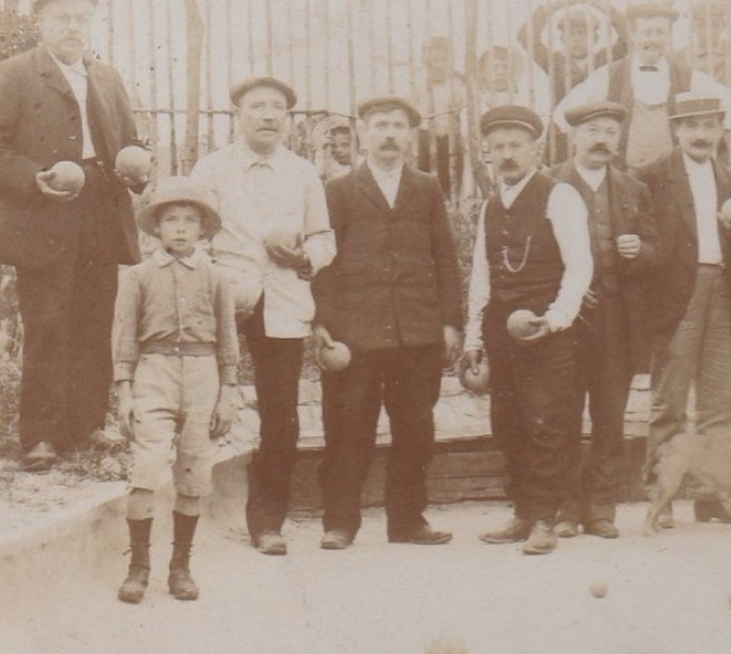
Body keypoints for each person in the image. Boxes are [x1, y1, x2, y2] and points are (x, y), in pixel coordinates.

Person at [0, 0, 152, 471]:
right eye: (62, 17)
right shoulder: (15, 73)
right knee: (49, 323)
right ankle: (42, 436)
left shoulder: (106, 77)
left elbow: (131, 142)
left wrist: (138, 163)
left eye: (81, 18)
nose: (73, 26)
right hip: (45, 214)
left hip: (100, 209)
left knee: (95, 320)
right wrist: (37, 178)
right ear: (42, 22)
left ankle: (88, 424)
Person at [312, 95, 465, 550]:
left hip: (416, 331)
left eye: (399, 125)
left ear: (411, 135)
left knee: (416, 431)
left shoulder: (427, 187)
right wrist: (323, 323)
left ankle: (407, 522)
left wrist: (450, 322)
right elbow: (325, 262)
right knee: (347, 430)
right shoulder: (339, 191)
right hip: (355, 334)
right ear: (362, 133)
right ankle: (340, 523)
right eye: (380, 125)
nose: (390, 134)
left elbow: (445, 257)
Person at [193, 75, 336, 557]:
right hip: (225, 300)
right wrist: (216, 277)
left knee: (281, 415)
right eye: (258, 106)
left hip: (283, 300)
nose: (269, 115)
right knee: (203, 402)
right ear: (238, 114)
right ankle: (190, 512)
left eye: (279, 107)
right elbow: (191, 235)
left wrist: (302, 258)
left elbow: (323, 238)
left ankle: (266, 521)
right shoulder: (211, 169)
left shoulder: (302, 173)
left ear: (289, 120)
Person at [462, 105, 593, 555]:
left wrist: (556, 319)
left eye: (516, 145)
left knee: (545, 424)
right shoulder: (491, 206)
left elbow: (580, 266)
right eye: (497, 147)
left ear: (535, 149)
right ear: (488, 155)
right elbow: (481, 274)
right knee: (508, 423)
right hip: (502, 330)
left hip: (546, 328)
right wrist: (474, 338)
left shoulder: (560, 196)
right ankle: (521, 512)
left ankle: (545, 519)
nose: (507, 155)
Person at [636, 93, 731, 527]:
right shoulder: (652, 177)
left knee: (721, 399)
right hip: (675, 296)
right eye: (692, 126)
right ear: (676, 130)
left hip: (721, 292)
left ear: (721, 130)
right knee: (668, 399)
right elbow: (643, 243)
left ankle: (713, 494)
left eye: (709, 126)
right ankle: (662, 493)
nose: (701, 135)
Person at [111, 180, 238, 604]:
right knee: (146, 469)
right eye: (171, 220)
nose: (180, 229)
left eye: (190, 221)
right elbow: (125, 337)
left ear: (203, 229)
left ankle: (180, 566)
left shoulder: (217, 277)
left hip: (203, 375)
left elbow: (227, 339)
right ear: (157, 228)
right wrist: (125, 391)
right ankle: (138, 567)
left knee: (193, 473)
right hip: (154, 372)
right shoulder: (138, 277)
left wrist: (227, 392)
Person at [550, 101, 658, 539]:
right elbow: (537, 254)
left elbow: (658, 251)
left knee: (610, 416)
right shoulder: (550, 184)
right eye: (593, 130)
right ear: (573, 136)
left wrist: (640, 251)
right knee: (563, 413)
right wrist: (566, 289)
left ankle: (601, 508)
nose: (602, 140)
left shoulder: (634, 190)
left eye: (611, 132)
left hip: (618, 322)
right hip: (566, 324)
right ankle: (566, 507)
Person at [552, 2, 731, 171]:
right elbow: (563, 114)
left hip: (673, 178)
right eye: (646, 32)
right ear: (632, 35)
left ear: (669, 37)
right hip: (624, 175)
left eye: (660, 32)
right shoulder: (609, 75)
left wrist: (707, 136)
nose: (653, 39)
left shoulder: (689, 76)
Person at [518, 0, 628, 161]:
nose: (577, 39)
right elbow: (526, 36)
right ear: (563, 39)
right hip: (562, 135)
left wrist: (602, 6)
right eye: (572, 34)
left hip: (598, 132)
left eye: (583, 33)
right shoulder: (555, 62)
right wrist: (553, 6)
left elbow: (628, 38)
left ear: (595, 38)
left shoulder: (606, 60)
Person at [413, 35, 472, 201]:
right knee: (424, 173)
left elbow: (466, 111)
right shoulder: (419, 82)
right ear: (426, 60)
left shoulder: (458, 83)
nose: (438, 65)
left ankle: (452, 204)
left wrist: (465, 136)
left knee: (452, 174)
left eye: (443, 59)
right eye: (434, 60)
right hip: (425, 136)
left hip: (451, 136)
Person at [319, 117, 356, 183]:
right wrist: (322, 151)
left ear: (356, 145)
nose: (339, 150)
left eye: (345, 145)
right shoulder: (329, 163)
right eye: (334, 146)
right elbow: (318, 175)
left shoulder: (362, 162)